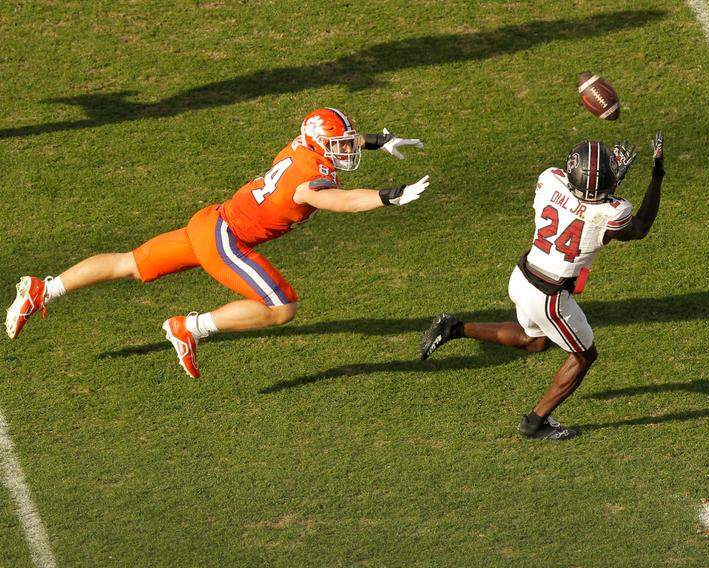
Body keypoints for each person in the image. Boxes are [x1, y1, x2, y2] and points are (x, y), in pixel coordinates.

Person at [5, 108, 429, 378]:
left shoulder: (301, 147)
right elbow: (341, 201)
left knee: (129, 263)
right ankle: (189, 327)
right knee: (283, 309)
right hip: (227, 239)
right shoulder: (307, 181)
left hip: (210, 221)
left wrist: (379, 140)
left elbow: (336, 144)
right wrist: (387, 196)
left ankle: (46, 288)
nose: (348, 150)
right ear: (319, 146)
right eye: (340, 145)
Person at [419, 132, 664, 440]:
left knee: (535, 342)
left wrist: (601, 180)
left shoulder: (550, 180)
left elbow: (581, 199)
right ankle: (535, 422)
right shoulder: (614, 212)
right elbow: (638, 228)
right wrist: (657, 175)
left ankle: (454, 327)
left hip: (522, 277)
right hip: (550, 296)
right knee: (584, 356)